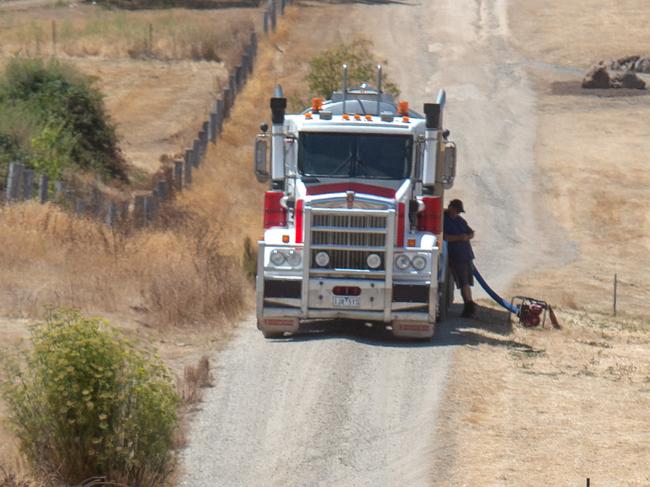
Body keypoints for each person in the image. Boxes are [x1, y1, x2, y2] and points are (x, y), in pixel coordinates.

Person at [443, 199, 477, 318]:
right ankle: (468, 305)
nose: (457, 213)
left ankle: (469, 305)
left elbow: (471, 233)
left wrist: (467, 236)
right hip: (455, 256)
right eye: (456, 211)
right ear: (451, 208)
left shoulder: (460, 220)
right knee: (463, 282)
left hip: (466, 255)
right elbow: (444, 237)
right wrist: (459, 238)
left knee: (466, 282)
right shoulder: (444, 220)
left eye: (459, 212)